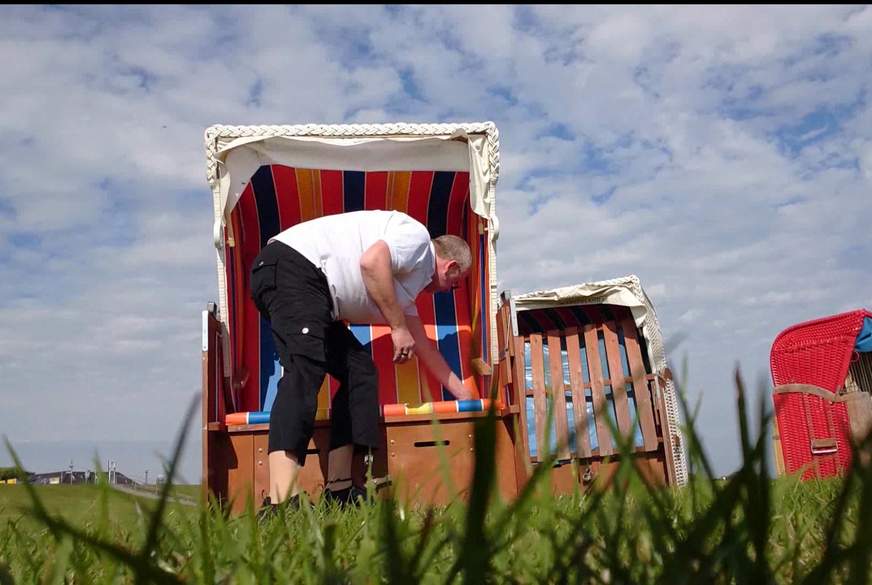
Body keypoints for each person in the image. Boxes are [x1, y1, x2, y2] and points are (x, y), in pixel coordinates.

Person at [250, 209, 473, 511]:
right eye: (455, 285)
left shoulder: (406, 289)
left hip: (313, 293)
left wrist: (468, 399)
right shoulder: (418, 241)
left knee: (360, 371)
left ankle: (339, 491)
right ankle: (279, 501)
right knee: (305, 367)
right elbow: (371, 262)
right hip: (292, 268)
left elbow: (426, 349)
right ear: (452, 267)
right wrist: (396, 328)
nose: (450, 292)